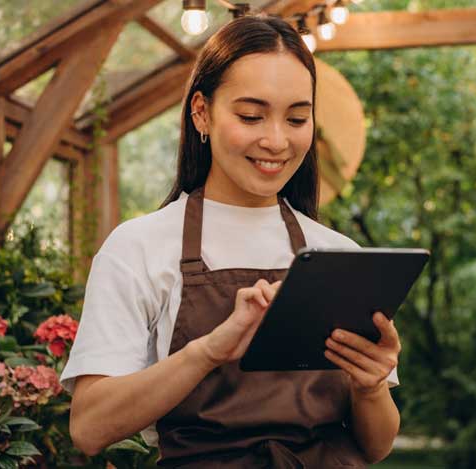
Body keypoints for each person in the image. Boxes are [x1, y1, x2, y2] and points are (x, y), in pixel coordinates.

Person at [61, 14, 401, 468]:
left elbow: (376, 446)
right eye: (251, 116)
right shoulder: (138, 248)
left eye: (297, 118)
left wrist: (370, 386)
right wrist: (208, 352)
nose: (277, 141)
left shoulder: (340, 256)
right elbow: (89, 428)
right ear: (201, 112)